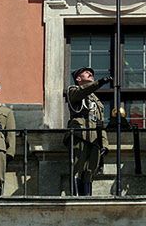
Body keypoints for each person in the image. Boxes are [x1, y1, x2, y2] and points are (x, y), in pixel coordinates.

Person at [65, 67, 112, 196]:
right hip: (80, 134)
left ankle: (87, 196)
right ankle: (76, 197)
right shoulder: (73, 90)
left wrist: (104, 143)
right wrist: (99, 82)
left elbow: (100, 123)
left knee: (90, 170)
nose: (90, 73)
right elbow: (82, 92)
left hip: (94, 137)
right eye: (86, 72)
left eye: (91, 73)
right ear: (78, 79)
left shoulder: (96, 101)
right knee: (77, 167)